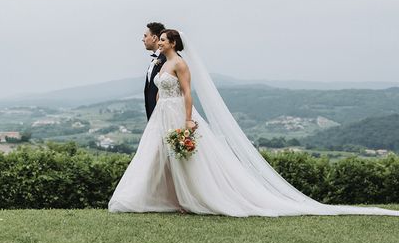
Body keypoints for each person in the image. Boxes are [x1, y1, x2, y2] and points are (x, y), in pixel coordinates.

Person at [108, 29, 399, 217]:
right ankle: (159, 199)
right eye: (157, 39)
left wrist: (187, 120)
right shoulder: (161, 64)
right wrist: (159, 110)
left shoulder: (180, 64)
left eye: (162, 40)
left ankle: (191, 199)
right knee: (154, 156)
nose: (157, 42)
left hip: (178, 115)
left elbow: (187, 93)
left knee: (184, 158)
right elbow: (160, 91)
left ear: (172, 43)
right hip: (161, 116)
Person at [142, 22, 166, 120]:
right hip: (153, 115)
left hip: (163, 115)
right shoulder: (155, 59)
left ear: (154, 38)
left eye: (145, 36)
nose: (143, 39)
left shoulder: (167, 59)